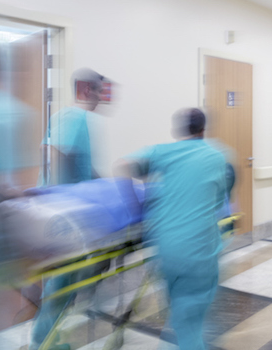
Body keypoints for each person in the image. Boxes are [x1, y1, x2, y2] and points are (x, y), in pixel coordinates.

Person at [114, 108, 229, 350]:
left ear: (176, 131)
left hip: (165, 250)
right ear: (203, 130)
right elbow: (219, 203)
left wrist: (136, 210)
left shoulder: (162, 152)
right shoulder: (217, 157)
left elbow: (122, 166)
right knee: (191, 324)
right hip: (199, 251)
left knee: (178, 312)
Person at [28, 68, 107, 350]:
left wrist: (108, 184)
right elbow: (53, 154)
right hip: (63, 218)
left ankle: (50, 339)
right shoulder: (75, 117)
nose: (101, 97)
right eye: (98, 91)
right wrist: (62, 204)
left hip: (60, 214)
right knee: (61, 287)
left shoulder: (69, 119)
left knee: (62, 285)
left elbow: (79, 165)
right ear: (86, 90)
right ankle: (41, 342)